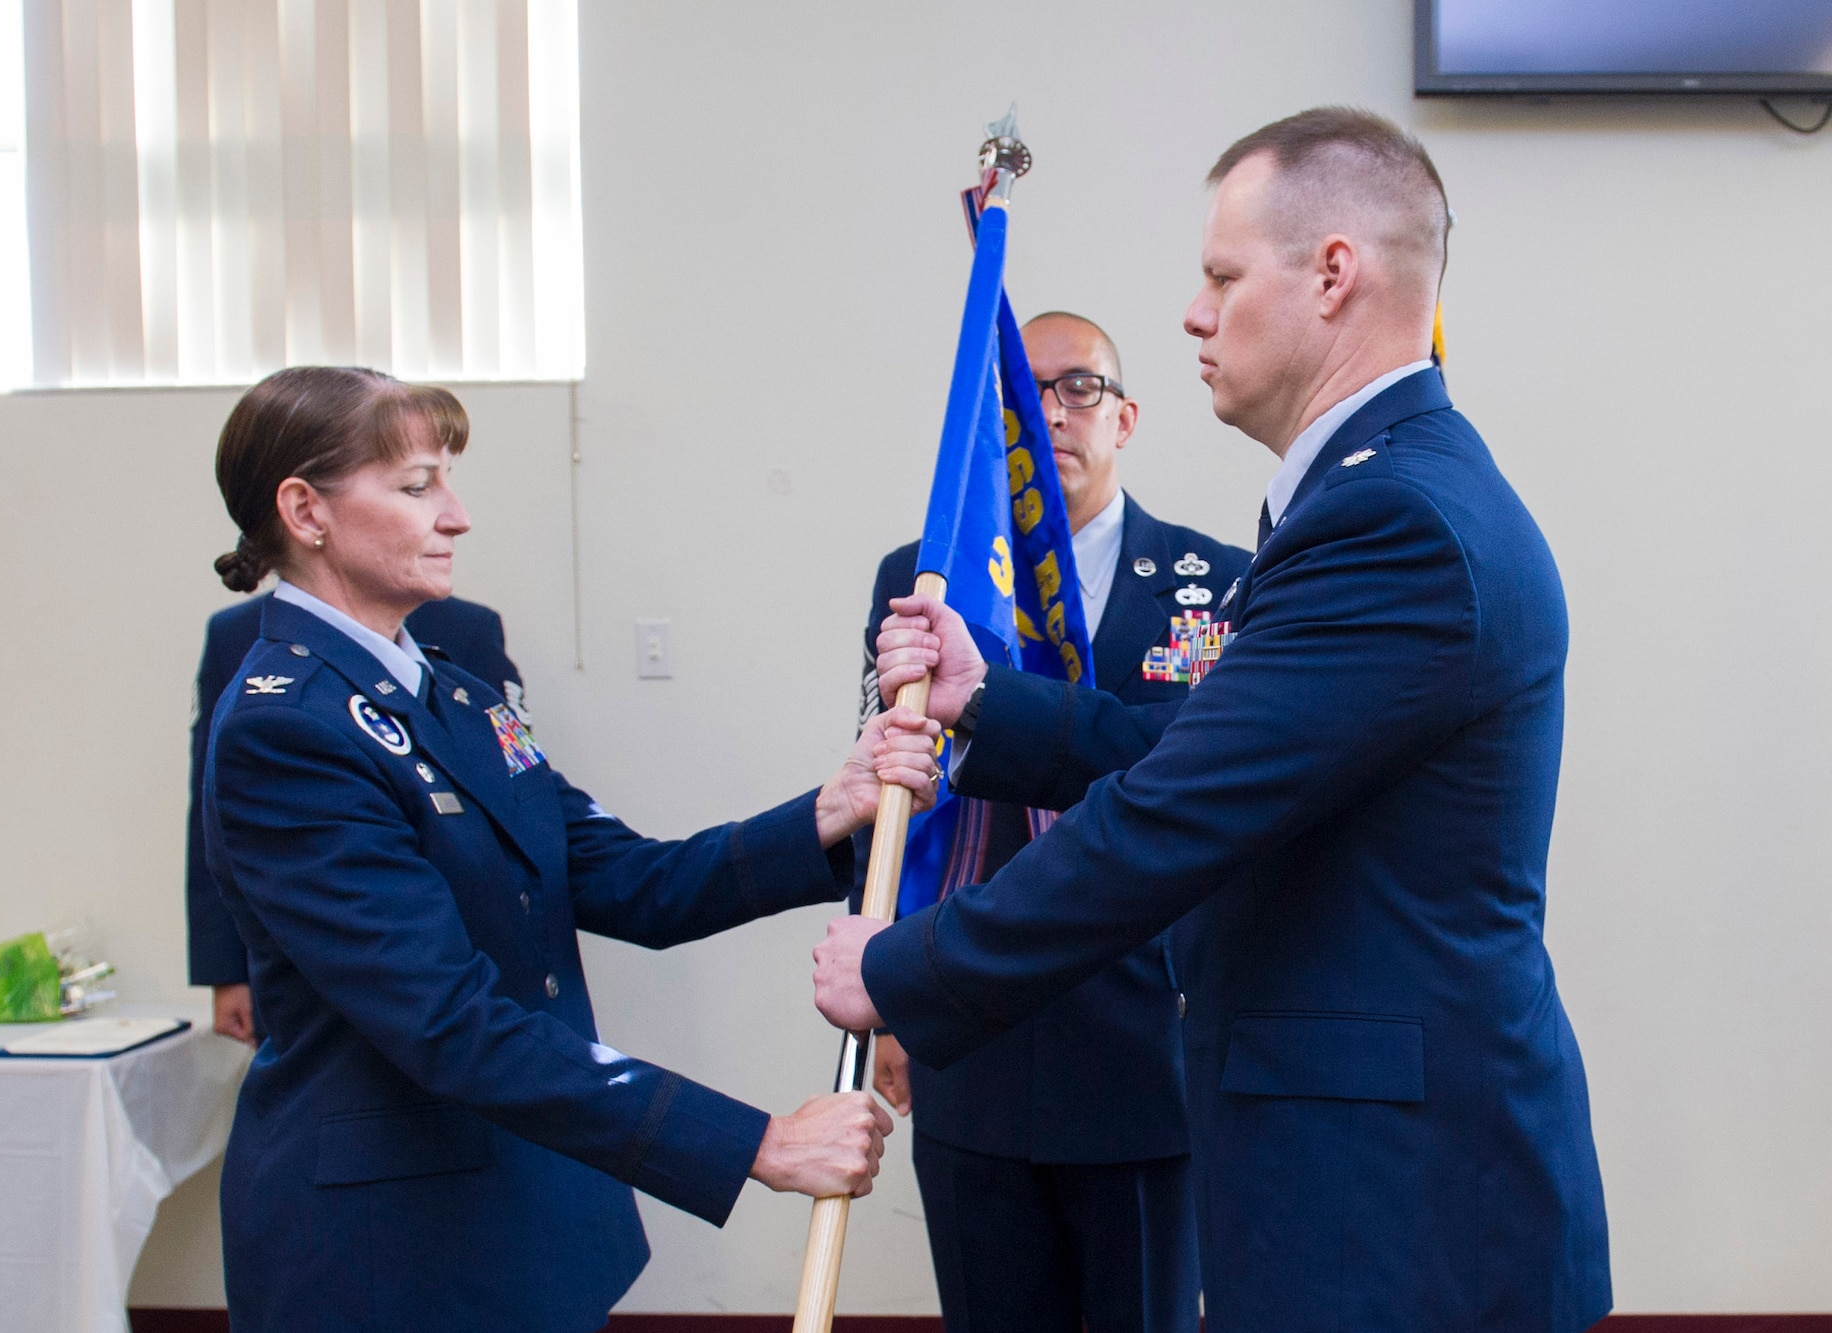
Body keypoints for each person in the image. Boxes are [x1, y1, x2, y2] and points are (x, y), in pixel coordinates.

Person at [814, 108, 1612, 1332]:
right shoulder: (1379, 493)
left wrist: (907, 967)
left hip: (1395, 1207)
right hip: (1360, 1166)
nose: (1193, 312)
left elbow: (1175, 811)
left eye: (1222, 275)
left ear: (1332, 273)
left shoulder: (1387, 521)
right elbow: (1200, 757)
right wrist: (995, 701)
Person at [200, 366, 934, 1333]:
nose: (455, 516)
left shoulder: (453, 692)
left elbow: (634, 881)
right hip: (387, 1250)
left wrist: (828, 812)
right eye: (417, 486)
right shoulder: (287, 729)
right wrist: (760, 1143)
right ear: (306, 509)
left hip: (514, 1216)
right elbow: (450, 1022)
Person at [855, 311, 1247, 1333]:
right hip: (972, 1023)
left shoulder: (1218, 583)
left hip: (1144, 1037)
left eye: (1077, 387)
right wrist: (894, 996)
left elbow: (1208, 781)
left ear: (1124, 416)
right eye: (1020, 393)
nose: (1049, 413)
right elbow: (892, 792)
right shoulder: (925, 580)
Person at [187, 592, 525, 1044]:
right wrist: (225, 969)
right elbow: (212, 811)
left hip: (460, 941)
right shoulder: (238, 632)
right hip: (309, 954)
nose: (454, 522)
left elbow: (518, 786)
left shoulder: (466, 627)